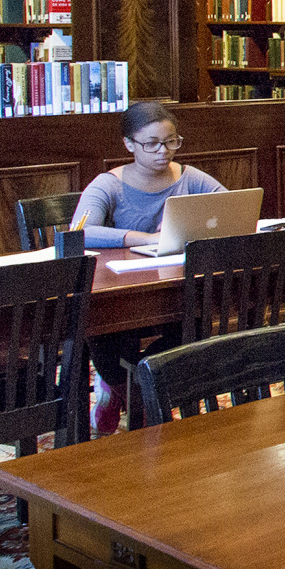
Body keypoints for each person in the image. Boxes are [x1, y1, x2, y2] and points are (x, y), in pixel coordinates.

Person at [71, 101, 226, 434]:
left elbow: (229, 205)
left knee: (196, 329)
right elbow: (81, 230)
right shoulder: (108, 184)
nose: (163, 152)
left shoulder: (189, 178)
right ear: (129, 144)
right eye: (152, 144)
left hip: (174, 290)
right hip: (120, 294)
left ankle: (135, 387)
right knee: (107, 340)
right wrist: (144, 237)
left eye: (171, 142)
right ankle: (130, 389)